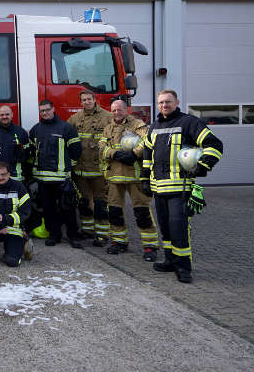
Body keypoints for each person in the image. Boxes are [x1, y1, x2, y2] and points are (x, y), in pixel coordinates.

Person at [141, 89, 223, 283]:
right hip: (159, 188)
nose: (164, 105)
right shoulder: (153, 127)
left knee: (179, 228)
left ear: (176, 102)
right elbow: (147, 152)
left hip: (181, 188)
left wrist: (203, 165)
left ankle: (183, 267)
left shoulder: (189, 123)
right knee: (166, 229)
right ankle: (170, 261)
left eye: (168, 102)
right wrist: (145, 179)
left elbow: (214, 144)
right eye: (161, 102)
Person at [100, 99, 159, 261]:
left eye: (119, 110)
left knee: (142, 213)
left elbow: (148, 141)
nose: (116, 113)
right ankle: (119, 242)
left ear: (126, 110)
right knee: (114, 212)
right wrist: (114, 154)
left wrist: (134, 154)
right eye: (113, 110)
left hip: (135, 176)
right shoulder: (108, 128)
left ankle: (150, 246)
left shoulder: (137, 124)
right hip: (114, 177)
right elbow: (101, 147)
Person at [29, 100, 82, 248]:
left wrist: (66, 168)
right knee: (48, 209)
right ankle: (54, 235)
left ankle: (73, 236)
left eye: (47, 110)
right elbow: (32, 152)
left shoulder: (66, 128)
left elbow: (76, 152)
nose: (45, 113)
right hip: (42, 179)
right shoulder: (35, 129)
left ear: (53, 109)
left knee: (68, 208)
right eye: (42, 111)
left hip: (62, 178)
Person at [67, 90, 112, 245]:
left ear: (95, 99)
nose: (86, 102)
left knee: (101, 202)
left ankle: (102, 234)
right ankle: (87, 230)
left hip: (99, 169)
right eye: (83, 100)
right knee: (84, 202)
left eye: (89, 99)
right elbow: (66, 135)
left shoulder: (107, 117)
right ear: (80, 102)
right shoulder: (75, 118)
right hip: (80, 169)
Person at [0, 105, 30, 181]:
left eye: (7, 114)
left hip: (15, 178)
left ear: (12, 115)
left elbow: (28, 155)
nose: (4, 117)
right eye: (2, 115)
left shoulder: (21, 132)